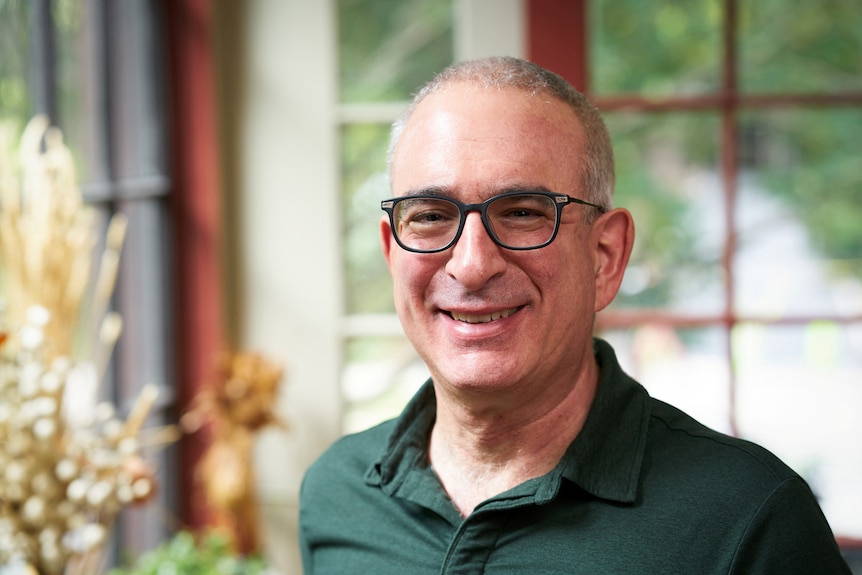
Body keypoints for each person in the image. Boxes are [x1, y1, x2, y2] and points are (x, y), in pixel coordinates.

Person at [299, 56, 851, 574]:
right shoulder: (337, 495)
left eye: (520, 213)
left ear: (604, 257)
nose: (470, 266)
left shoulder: (748, 519)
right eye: (430, 216)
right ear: (393, 251)